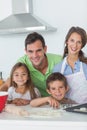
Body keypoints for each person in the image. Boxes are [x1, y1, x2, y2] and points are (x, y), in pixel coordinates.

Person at [0, 32, 62, 97]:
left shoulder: (59, 60)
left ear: (45, 49)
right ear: (26, 51)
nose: (35, 55)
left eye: (38, 50)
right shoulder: (23, 64)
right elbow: (8, 83)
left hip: (60, 100)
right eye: (30, 51)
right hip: (38, 102)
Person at [53, 26, 87, 104]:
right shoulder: (57, 68)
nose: (74, 45)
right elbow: (54, 93)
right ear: (67, 41)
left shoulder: (85, 66)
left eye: (79, 42)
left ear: (82, 45)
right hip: (66, 110)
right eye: (72, 40)